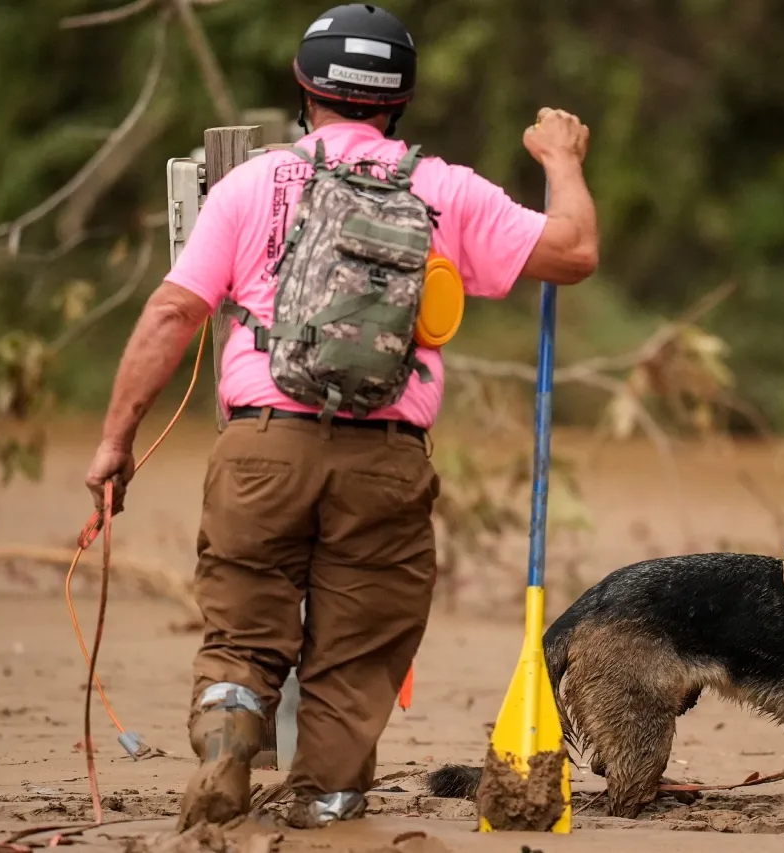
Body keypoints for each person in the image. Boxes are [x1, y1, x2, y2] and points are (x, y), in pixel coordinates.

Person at [82, 2, 597, 831]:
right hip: (386, 459)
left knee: (244, 622)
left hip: (259, 448)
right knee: (357, 650)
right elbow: (573, 252)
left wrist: (116, 440)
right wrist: (561, 158)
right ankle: (323, 795)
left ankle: (227, 740)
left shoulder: (254, 182)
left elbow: (171, 314)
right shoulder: (443, 189)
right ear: (401, 99)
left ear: (303, 85)